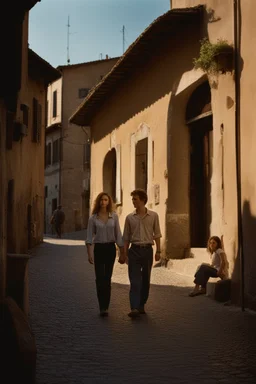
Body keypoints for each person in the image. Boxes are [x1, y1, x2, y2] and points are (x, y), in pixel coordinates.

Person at [119, 188, 162, 318]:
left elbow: (157, 234)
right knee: (135, 280)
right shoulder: (129, 218)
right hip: (134, 251)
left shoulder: (153, 216)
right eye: (132, 199)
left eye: (135, 199)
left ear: (143, 200)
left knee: (146, 280)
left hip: (148, 250)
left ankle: (141, 304)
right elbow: (126, 237)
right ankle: (134, 308)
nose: (133, 201)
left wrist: (158, 251)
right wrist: (124, 253)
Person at [86, 192, 124, 317]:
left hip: (110, 249)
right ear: (99, 202)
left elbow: (118, 234)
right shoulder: (93, 218)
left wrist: (122, 252)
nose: (103, 202)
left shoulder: (114, 216)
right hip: (99, 249)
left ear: (109, 202)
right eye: (101, 200)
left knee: (107, 278)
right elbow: (89, 237)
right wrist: (89, 254)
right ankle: (101, 305)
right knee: (99, 278)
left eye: (106, 200)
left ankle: (105, 307)